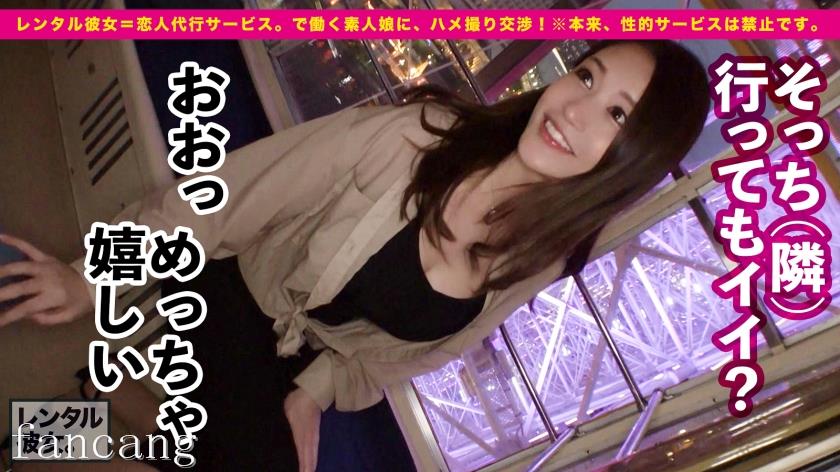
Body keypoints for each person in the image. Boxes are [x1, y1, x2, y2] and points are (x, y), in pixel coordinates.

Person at [0, 40, 710, 471]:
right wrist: (92, 275)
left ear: (634, 162)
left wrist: (314, 393)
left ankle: (76, 419)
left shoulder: (545, 256)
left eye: (617, 114)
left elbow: (419, 353)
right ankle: (60, 426)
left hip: (299, 355)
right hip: (234, 285)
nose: (574, 110)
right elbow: (228, 197)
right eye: (586, 76)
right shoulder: (412, 140)